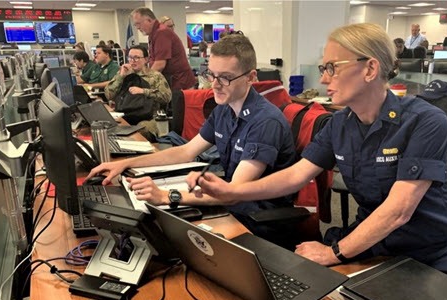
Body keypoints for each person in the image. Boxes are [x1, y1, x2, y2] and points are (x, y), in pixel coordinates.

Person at [193, 23, 447, 300]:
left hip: (436, 246)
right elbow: (296, 175)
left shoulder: (425, 120)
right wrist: (231, 191)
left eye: (331, 67)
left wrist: (335, 252)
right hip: (372, 241)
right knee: (306, 298)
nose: (323, 78)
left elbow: (398, 211)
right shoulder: (338, 124)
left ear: (370, 69)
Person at [87, 34, 298, 248]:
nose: (215, 85)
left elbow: (234, 192)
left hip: (257, 222)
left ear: (251, 77)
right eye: (211, 75)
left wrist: (167, 196)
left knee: (167, 245)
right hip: (230, 208)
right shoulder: (225, 109)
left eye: (225, 77)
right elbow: (185, 152)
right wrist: (124, 164)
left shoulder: (265, 121)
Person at [105, 45, 171, 134]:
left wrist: (144, 91)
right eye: (130, 57)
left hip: (149, 117)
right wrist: (121, 77)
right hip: (125, 114)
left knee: (140, 131)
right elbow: (109, 95)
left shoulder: (155, 76)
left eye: (136, 58)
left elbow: (166, 97)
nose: (132, 61)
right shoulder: (124, 74)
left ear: (146, 59)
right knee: (108, 128)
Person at [132, 8, 195, 90]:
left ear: (149, 20)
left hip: (179, 84)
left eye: (138, 24)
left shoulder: (161, 33)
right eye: (136, 25)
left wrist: (144, 82)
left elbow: (159, 64)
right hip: (173, 82)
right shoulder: (154, 34)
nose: (137, 28)